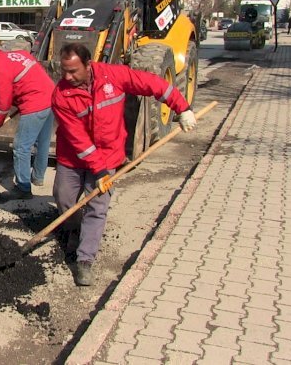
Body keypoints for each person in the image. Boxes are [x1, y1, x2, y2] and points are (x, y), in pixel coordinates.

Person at [51, 43, 196, 286]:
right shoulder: (60, 94)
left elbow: (153, 83)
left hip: (108, 156)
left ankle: (85, 260)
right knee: (64, 199)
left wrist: (182, 108)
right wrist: (95, 169)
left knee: (97, 206)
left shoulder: (113, 76)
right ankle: (73, 230)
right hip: (73, 156)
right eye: (64, 71)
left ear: (88, 65)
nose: (67, 77)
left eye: (73, 71)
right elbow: (78, 139)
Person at [0, 44, 55, 200]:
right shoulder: (19, 54)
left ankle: (23, 188)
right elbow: (33, 73)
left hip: (35, 104)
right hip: (50, 96)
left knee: (21, 147)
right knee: (42, 142)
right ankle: (38, 177)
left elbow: (3, 104)